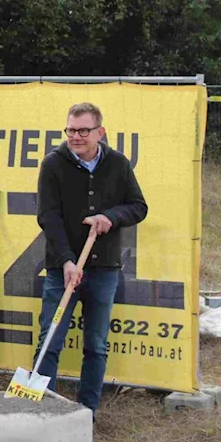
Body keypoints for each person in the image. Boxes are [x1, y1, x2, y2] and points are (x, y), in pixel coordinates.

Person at [35, 102, 148, 413]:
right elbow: (48, 216)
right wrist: (68, 261)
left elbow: (138, 206)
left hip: (104, 269)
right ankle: (43, 410)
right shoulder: (53, 165)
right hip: (63, 268)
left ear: (100, 132)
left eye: (83, 130)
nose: (76, 136)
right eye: (71, 130)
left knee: (96, 346)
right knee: (50, 341)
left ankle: (87, 412)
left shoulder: (118, 164)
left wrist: (110, 216)